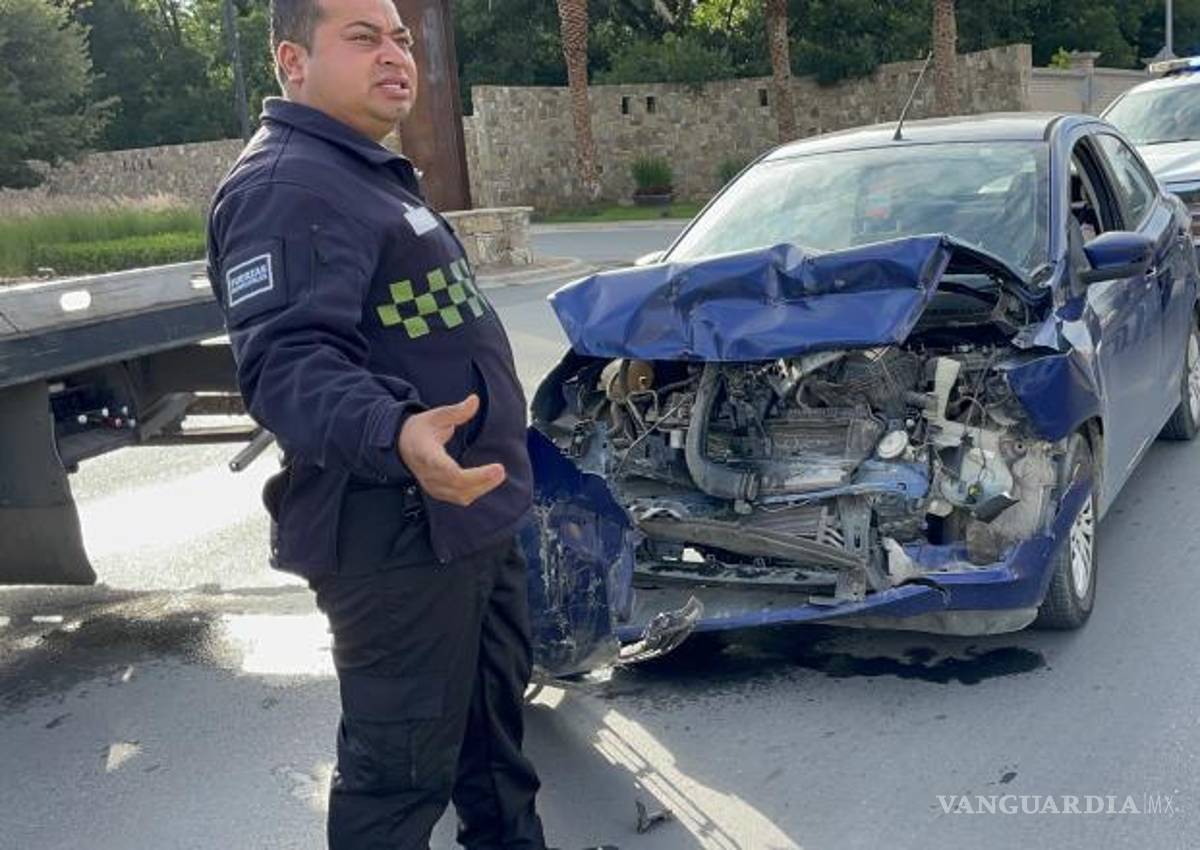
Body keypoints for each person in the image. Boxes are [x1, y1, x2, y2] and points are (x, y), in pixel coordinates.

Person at [205, 1, 549, 847]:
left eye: (399, 36)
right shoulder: (288, 185)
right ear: (293, 60)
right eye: (363, 37)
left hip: (465, 520)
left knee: (495, 756)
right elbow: (288, 362)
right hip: (397, 538)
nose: (395, 54)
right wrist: (398, 434)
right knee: (396, 789)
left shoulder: (360, 172)